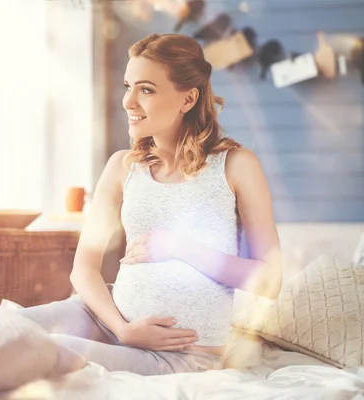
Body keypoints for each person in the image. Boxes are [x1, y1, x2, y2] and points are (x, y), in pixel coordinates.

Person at [19, 33, 283, 376]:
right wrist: (121, 328)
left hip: (180, 355)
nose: (129, 101)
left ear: (187, 98)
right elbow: (83, 268)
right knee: (1, 327)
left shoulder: (236, 166)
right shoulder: (122, 167)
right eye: (128, 86)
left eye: (146, 89)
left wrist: (177, 246)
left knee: (40, 352)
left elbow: (271, 281)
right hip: (104, 319)